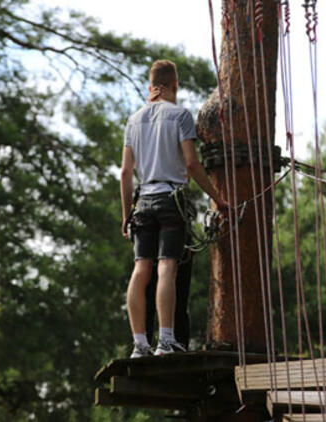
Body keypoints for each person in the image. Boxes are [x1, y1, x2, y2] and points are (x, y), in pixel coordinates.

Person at [120, 59, 227, 358]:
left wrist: (126, 214)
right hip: (171, 199)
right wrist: (218, 199)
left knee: (141, 269)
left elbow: (126, 173)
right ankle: (166, 340)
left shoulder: (133, 120)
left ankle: (139, 343)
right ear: (175, 85)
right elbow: (192, 164)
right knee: (167, 266)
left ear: (151, 86)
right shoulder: (180, 116)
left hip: (142, 202)